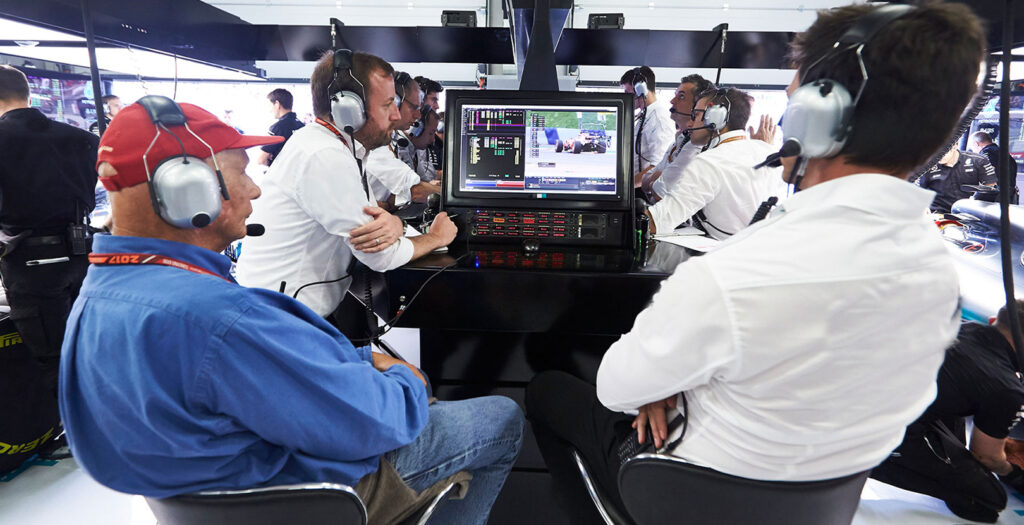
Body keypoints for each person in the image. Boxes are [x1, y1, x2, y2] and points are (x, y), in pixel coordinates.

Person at [525, 3, 981, 523]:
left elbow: (615, 387)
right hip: (821, 505)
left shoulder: (731, 275)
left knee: (548, 391)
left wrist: (663, 385)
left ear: (818, 115)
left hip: (679, 494)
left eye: (793, 102)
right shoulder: (940, 278)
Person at [59, 96, 524, 525]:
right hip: (308, 495)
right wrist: (410, 382)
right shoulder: (219, 318)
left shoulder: (96, 297)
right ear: (190, 192)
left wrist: (359, 362)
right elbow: (385, 423)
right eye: (242, 175)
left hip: (219, 488)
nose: (255, 192)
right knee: (501, 418)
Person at [235, 52, 456, 318]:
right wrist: (436, 238)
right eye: (388, 105)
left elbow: (378, 222)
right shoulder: (324, 155)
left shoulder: (338, 148)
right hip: (282, 320)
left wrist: (394, 223)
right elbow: (381, 254)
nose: (396, 116)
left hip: (291, 311)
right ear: (349, 109)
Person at [871, 303, 1024, 523]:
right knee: (988, 500)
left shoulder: (961, 326)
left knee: (962, 396)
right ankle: (865, 460)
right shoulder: (1006, 387)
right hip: (884, 426)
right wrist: (1013, 474)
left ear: (993, 321)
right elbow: (986, 456)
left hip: (872, 396)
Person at [0, 65, 98, 396]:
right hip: (82, 255)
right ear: (27, 93)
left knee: (53, 360)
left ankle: (72, 438)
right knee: (87, 347)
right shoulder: (83, 138)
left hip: (31, 263)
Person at [643, 87, 785, 239]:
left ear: (716, 119)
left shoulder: (709, 162)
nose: (691, 123)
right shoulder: (769, 152)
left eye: (696, 115)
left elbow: (657, 221)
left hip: (720, 253)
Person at [364, 71, 439, 206]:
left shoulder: (389, 138)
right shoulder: (374, 144)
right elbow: (416, 190)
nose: (418, 116)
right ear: (394, 103)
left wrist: (388, 204)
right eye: (414, 107)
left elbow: (394, 198)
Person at [639, 74, 714, 200]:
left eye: (681, 97)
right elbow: (645, 181)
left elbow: (659, 192)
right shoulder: (680, 140)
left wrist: (658, 178)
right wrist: (658, 177)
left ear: (697, 105)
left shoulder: (698, 146)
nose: (672, 101)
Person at [620, 66, 674, 182]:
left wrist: (627, 189)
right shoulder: (645, 116)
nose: (625, 97)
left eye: (627, 93)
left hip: (643, 191)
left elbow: (658, 167)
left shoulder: (658, 119)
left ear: (641, 90)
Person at [917, 145, 997, 214]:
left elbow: (991, 185)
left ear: (954, 146)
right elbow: (917, 190)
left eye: (942, 152)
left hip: (971, 213)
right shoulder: (927, 165)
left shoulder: (978, 160)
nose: (938, 157)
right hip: (939, 214)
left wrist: (976, 198)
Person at [257, 88, 305, 166]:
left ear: (277, 104)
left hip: (283, 175)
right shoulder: (302, 126)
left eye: (270, 105)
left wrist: (272, 160)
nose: (270, 110)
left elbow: (261, 160)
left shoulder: (277, 127)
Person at [970, 130, 1018, 202]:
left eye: (972, 148)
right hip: (1008, 198)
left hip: (993, 198)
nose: (973, 151)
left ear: (976, 144)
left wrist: (975, 197)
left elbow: (988, 174)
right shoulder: (1006, 154)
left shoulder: (986, 152)